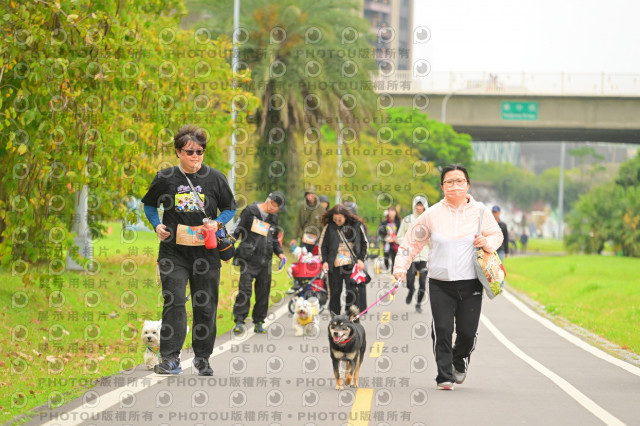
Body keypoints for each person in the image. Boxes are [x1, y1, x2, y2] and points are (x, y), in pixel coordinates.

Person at [393, 164, 503, 391]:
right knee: (442, 329)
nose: (455, 186)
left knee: (467, 333)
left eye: (459, 181)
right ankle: (444, 375)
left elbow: (496, 235)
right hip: (440, 283)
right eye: (449, 182)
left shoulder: (480, 211)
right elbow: (411, 242)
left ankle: (459, 359)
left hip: (471, 282)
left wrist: (487, 242)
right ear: (442, 186)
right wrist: (400, 268)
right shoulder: (432, 214)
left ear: (467, 184)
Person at [142, 124, 237, 376]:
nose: (195, 156)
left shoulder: (215, 178)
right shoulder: (165, 177)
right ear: (178, 152)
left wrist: (218, 222)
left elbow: (230, 207)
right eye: (189, 152)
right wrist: (157, 225)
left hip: (206, 252)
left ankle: (202, 357)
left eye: (199, 152)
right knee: (173, 301)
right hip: (173, 252)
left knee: (205, 306)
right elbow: (150, 205)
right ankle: (170, 358)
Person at [231, 192, 287, 335]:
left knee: (263, 293)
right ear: (272, 203)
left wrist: (280, 253)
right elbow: (236, 230)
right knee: (245, 291)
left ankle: (259, 322)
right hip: (248, 259)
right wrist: (227, 249)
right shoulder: (250, 211)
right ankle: (239, 321)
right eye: (278, 208)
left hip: (265, 260)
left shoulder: (273, 218)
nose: (278, 212)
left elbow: (274, 239)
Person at [319, 205, 369, 315]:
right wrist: (324, 261)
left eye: (340, 219)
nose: (337, 221)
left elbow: (364, 243)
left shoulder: (356, 225)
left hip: (352, 265)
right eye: (335, 219)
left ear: (345, 217)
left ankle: (351, 316)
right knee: (335, 293)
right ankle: (335, 317)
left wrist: (361, 259)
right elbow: (323, 246)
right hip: (334, 265)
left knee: (352, 291)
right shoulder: (329, 227)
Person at [396, 196, 429, 313]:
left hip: (424, 256)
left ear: (425, 207)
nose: (419, 208)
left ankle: (418, 304)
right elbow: (399, 237)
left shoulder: (428, 220)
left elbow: (433, 239)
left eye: (421, 205)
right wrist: (408, 243)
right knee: (410, 280)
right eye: (417, 205)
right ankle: (411, 290)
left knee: (423, 283)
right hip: (411, 256)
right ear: (414, 206)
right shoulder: (407, 220)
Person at [291, 187, 325, 254]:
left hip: (316, 240)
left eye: (312, 194)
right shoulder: (302, 207)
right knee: (302, 258)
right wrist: (294, 238)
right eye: (308, 194)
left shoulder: (321, 208)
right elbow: (298, 223)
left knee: (314, 259)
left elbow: (323, 225)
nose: (310, 196)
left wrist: (323, 240)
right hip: (304, 238)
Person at [378, 206, 401, 272]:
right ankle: (387, 267)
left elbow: (401, 231)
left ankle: (393, 270)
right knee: (386, 254)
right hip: (387, 242)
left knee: (394, 256)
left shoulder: (398, 222)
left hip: (395, 242)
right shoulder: (385, 222)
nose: (391, 213)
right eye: (390, 211)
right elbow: (380, 231)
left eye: (393, 211)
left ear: (395, 212)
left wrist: (397, 238)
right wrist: (385, 236)